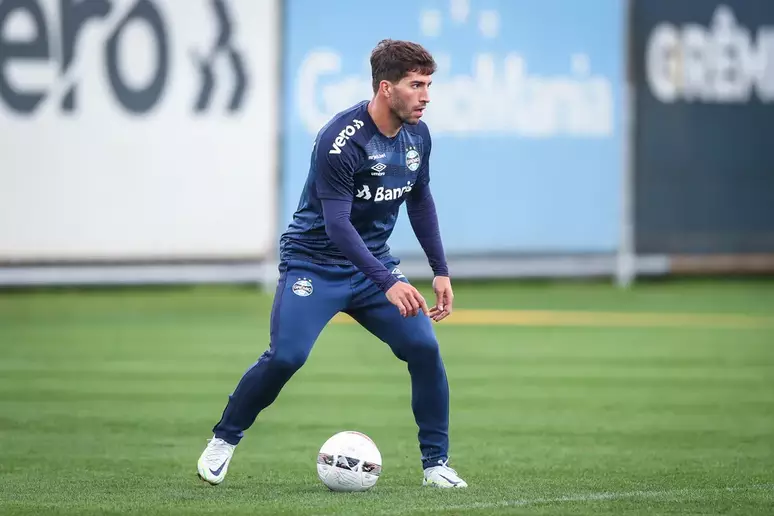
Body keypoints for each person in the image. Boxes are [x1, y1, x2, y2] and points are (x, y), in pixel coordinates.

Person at [196, 39, 467, 489]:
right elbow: (337, 225)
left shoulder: (418, 135)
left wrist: (440, 269)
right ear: (386, 88)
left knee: (424, 348)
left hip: (372, 265)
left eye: (428, 85)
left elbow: (420, 200)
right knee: (287, 356)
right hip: (314, 263)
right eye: (416, 85)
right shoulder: (341, 140)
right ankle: (224, 439)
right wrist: (388, 282)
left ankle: (435, 465)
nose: (425, 96)